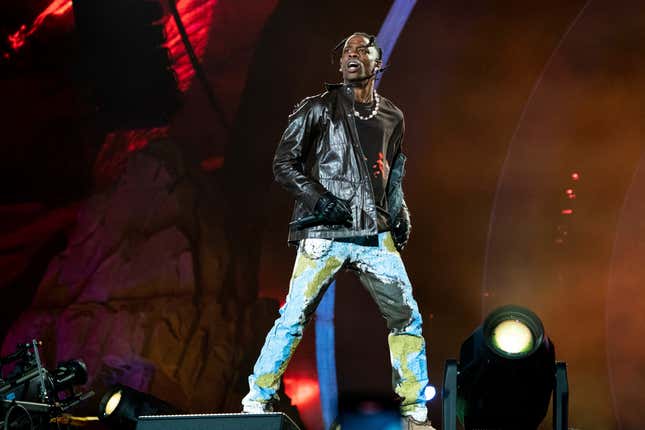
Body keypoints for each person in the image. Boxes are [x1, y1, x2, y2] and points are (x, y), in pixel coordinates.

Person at [241, 32, 434, 429]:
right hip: (325, 232)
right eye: (347, 50)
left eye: (362, 50)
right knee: (293, 316)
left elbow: (393, 173)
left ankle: (415, 411)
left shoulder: (392, 116)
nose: (352, 55)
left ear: (377, 63)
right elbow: (284, 163)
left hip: (373, 234)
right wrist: (318, 200)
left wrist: (401, 215)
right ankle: (257, 398)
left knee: (406, 317)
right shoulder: (317, 109)